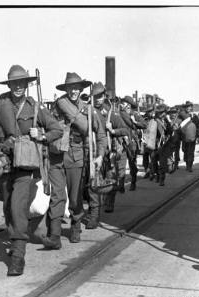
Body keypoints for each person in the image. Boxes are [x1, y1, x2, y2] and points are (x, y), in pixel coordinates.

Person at [0, 64, 63, 276]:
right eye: (14, 83)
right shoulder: (1, 104)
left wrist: (41, 135)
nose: (18, 87)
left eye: (22, 83)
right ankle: (15, 242)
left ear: (27, 85)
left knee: (18, 206)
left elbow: (57, 129)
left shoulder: (35, 107)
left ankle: (18, 255)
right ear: (9, 84)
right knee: (7, 206)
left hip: (25, 164)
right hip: (5, 162)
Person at [43, 72, 106, 249]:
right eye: (70, 88)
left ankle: (76, 227)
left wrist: (100, 155)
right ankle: (54, 236)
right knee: (57, 196)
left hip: (76, 156)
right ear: (66, 89)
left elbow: (100, 134)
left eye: (76, 88)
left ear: (81, 89)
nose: (73, 91)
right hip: (56, 156)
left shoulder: (88, 109)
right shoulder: (56, 107)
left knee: (75, 195)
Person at [92, 84, 130, 213]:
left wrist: (112, 130)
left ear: (104, 97)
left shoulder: (110, 113)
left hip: (109, 152)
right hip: (94, 152)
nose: (97, 99)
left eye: (100, 96)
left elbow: (125, 130)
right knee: (95, 179)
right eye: (95, 97)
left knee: (110, 178)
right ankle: (95, 208)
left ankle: (109, 203)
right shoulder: (89, 110)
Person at [118, 95, 147, 190]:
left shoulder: (134, 115)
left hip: (132, 143)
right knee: (121, 165)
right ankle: (121, 185)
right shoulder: (118, 114)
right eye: (121, 102)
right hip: (121, 142)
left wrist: (135, 122)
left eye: (123, 103)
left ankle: (133, 182)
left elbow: (144, 125)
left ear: (128, 105)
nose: (121, 104)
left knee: (132, 164)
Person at [181, 101, 199, 172]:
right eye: (187, 107)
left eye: (189, 107)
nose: (188, 108)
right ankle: (187, 164)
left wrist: (195, 133)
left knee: (191, 151)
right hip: (184, 136)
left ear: (191, 108)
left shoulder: (194, 116)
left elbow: (198, 126)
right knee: (185, 150)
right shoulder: (182, 115)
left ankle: (189, 166)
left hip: (192, 137)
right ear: (185, 108)